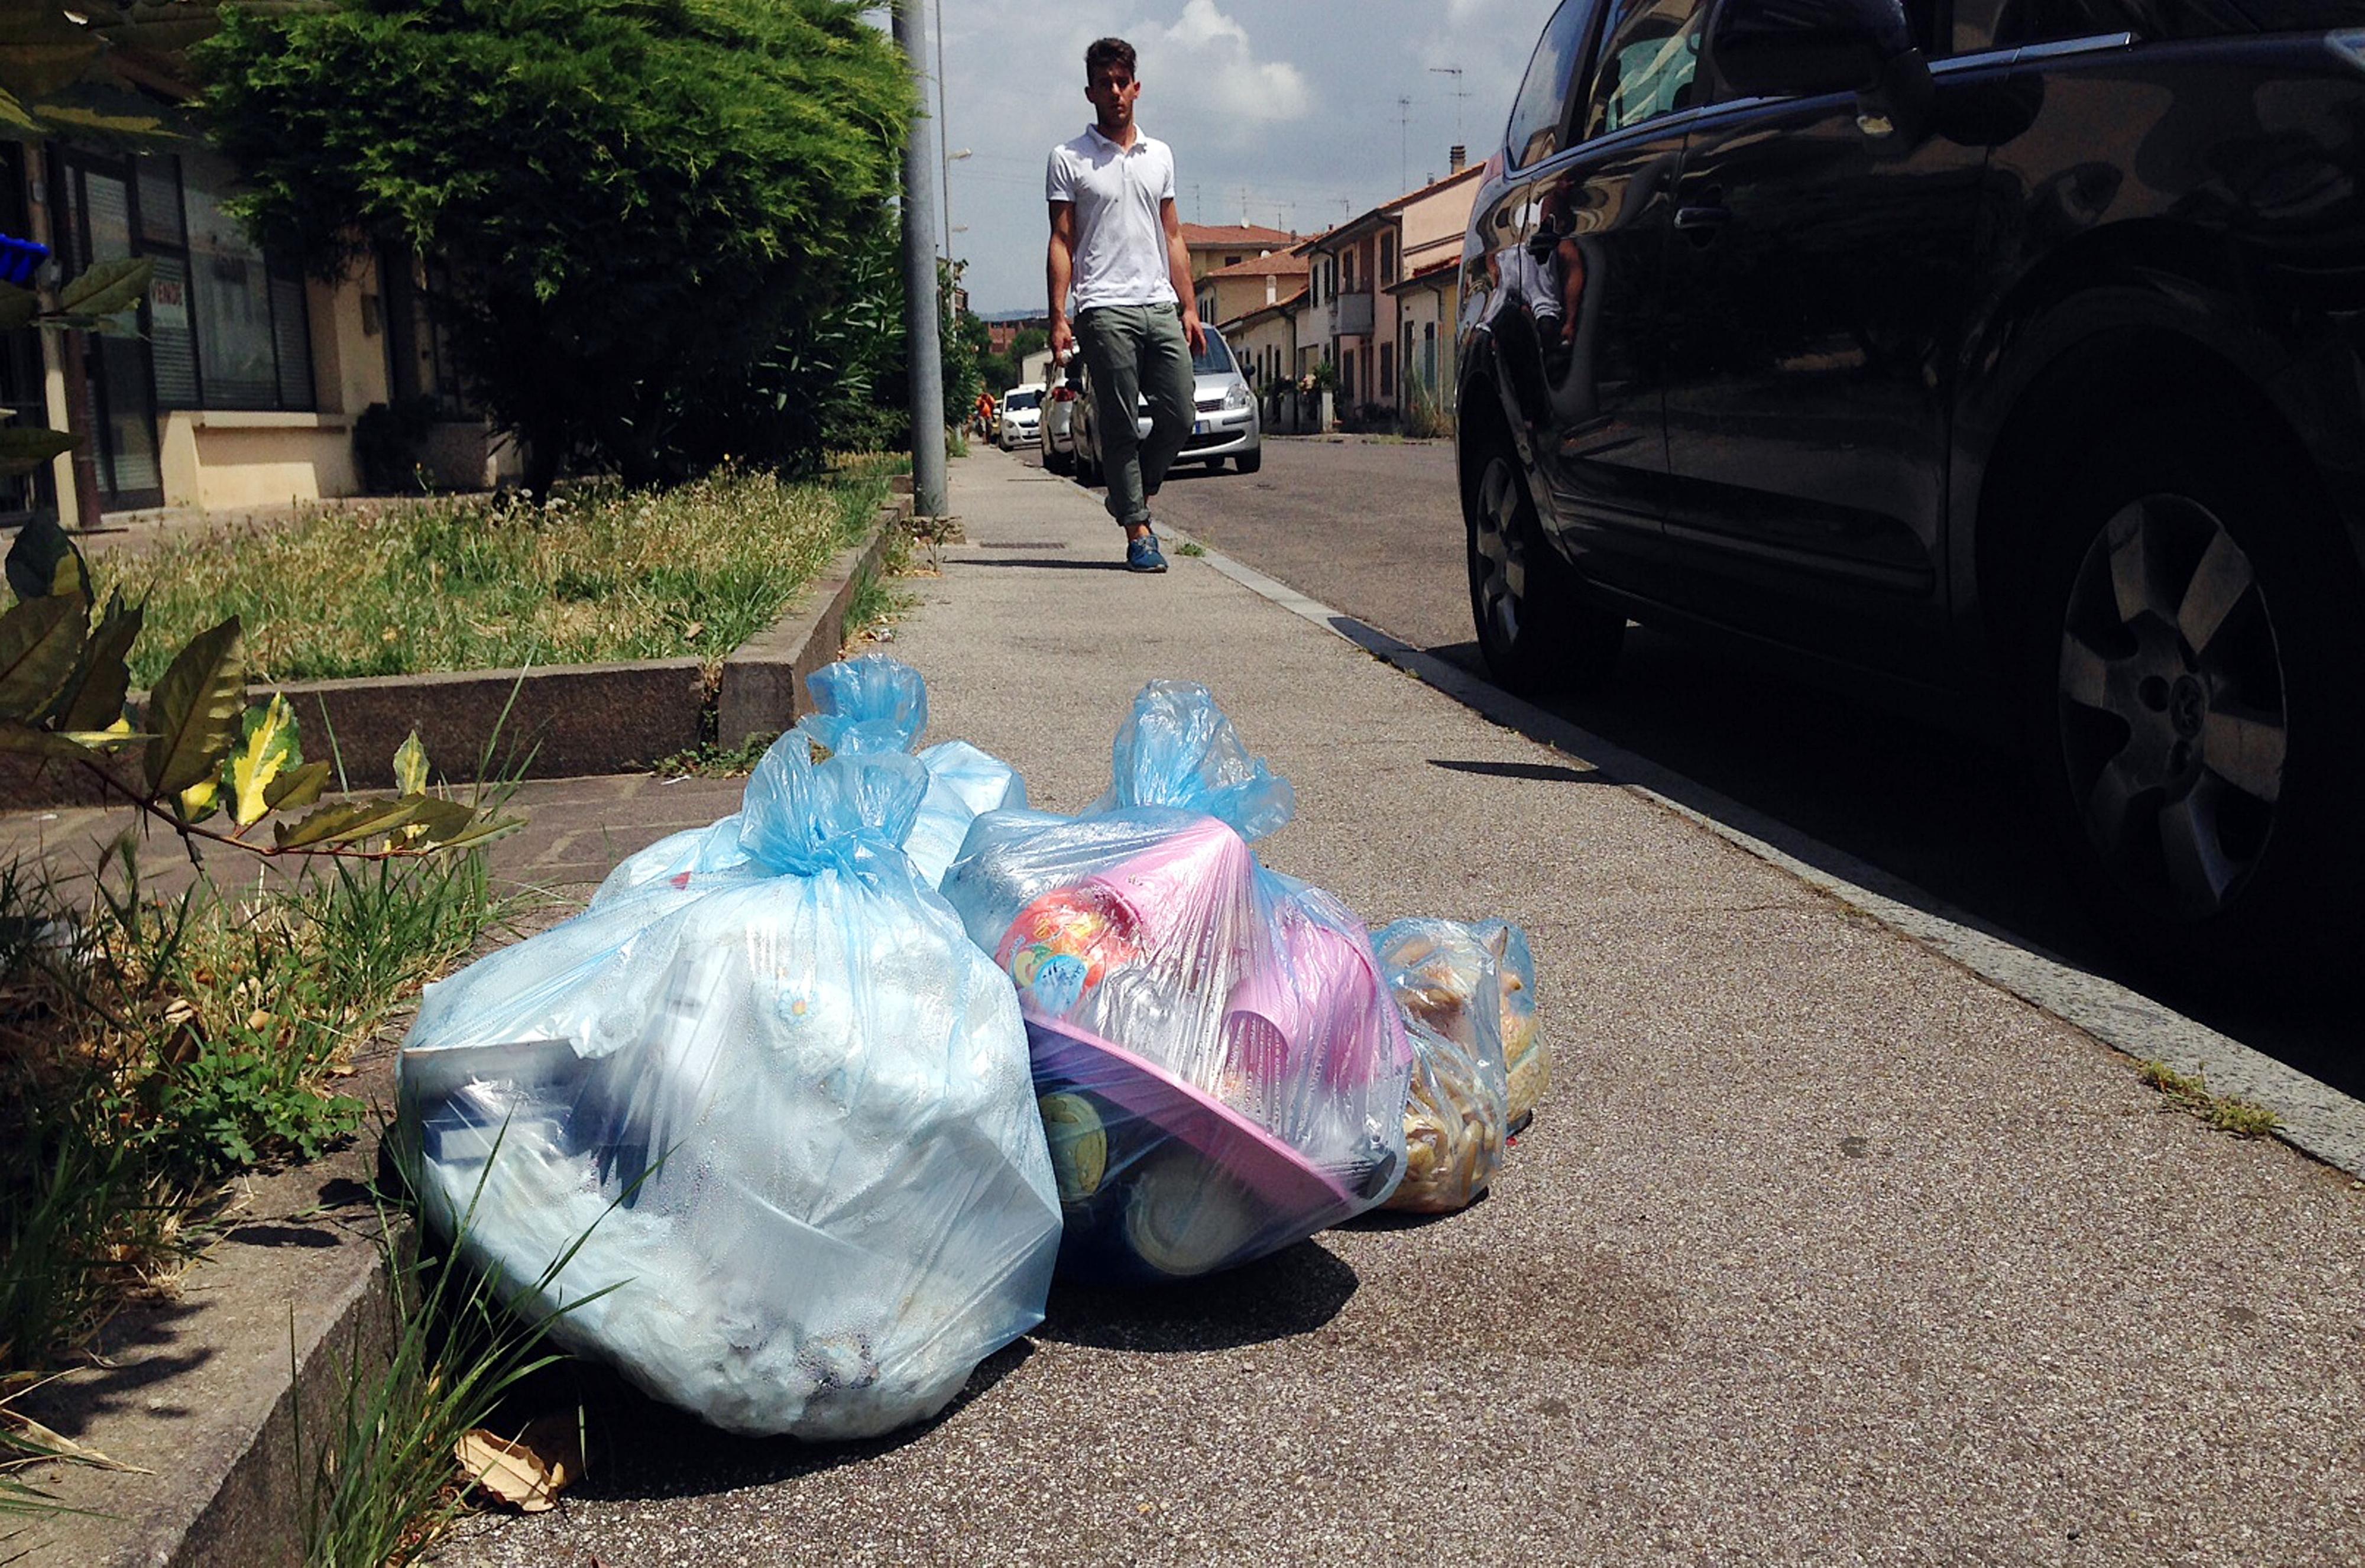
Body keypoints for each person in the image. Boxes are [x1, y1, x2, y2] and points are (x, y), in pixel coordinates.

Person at [1045, 35, 1204, 574]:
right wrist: (1059, 315)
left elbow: (1174, 235)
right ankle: (1139, 531)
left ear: (1137, 87)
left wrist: (1189, 306)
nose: (1115, 92)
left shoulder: (1159, 155)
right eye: (1104, 84)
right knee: (1117, 423)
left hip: (1159, 302)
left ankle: (1130, 492)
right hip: (1103, 306)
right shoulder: (1069, 158)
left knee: (1180, 413)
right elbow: (1062, 241)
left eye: (1122, 82)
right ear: (1090, 91)